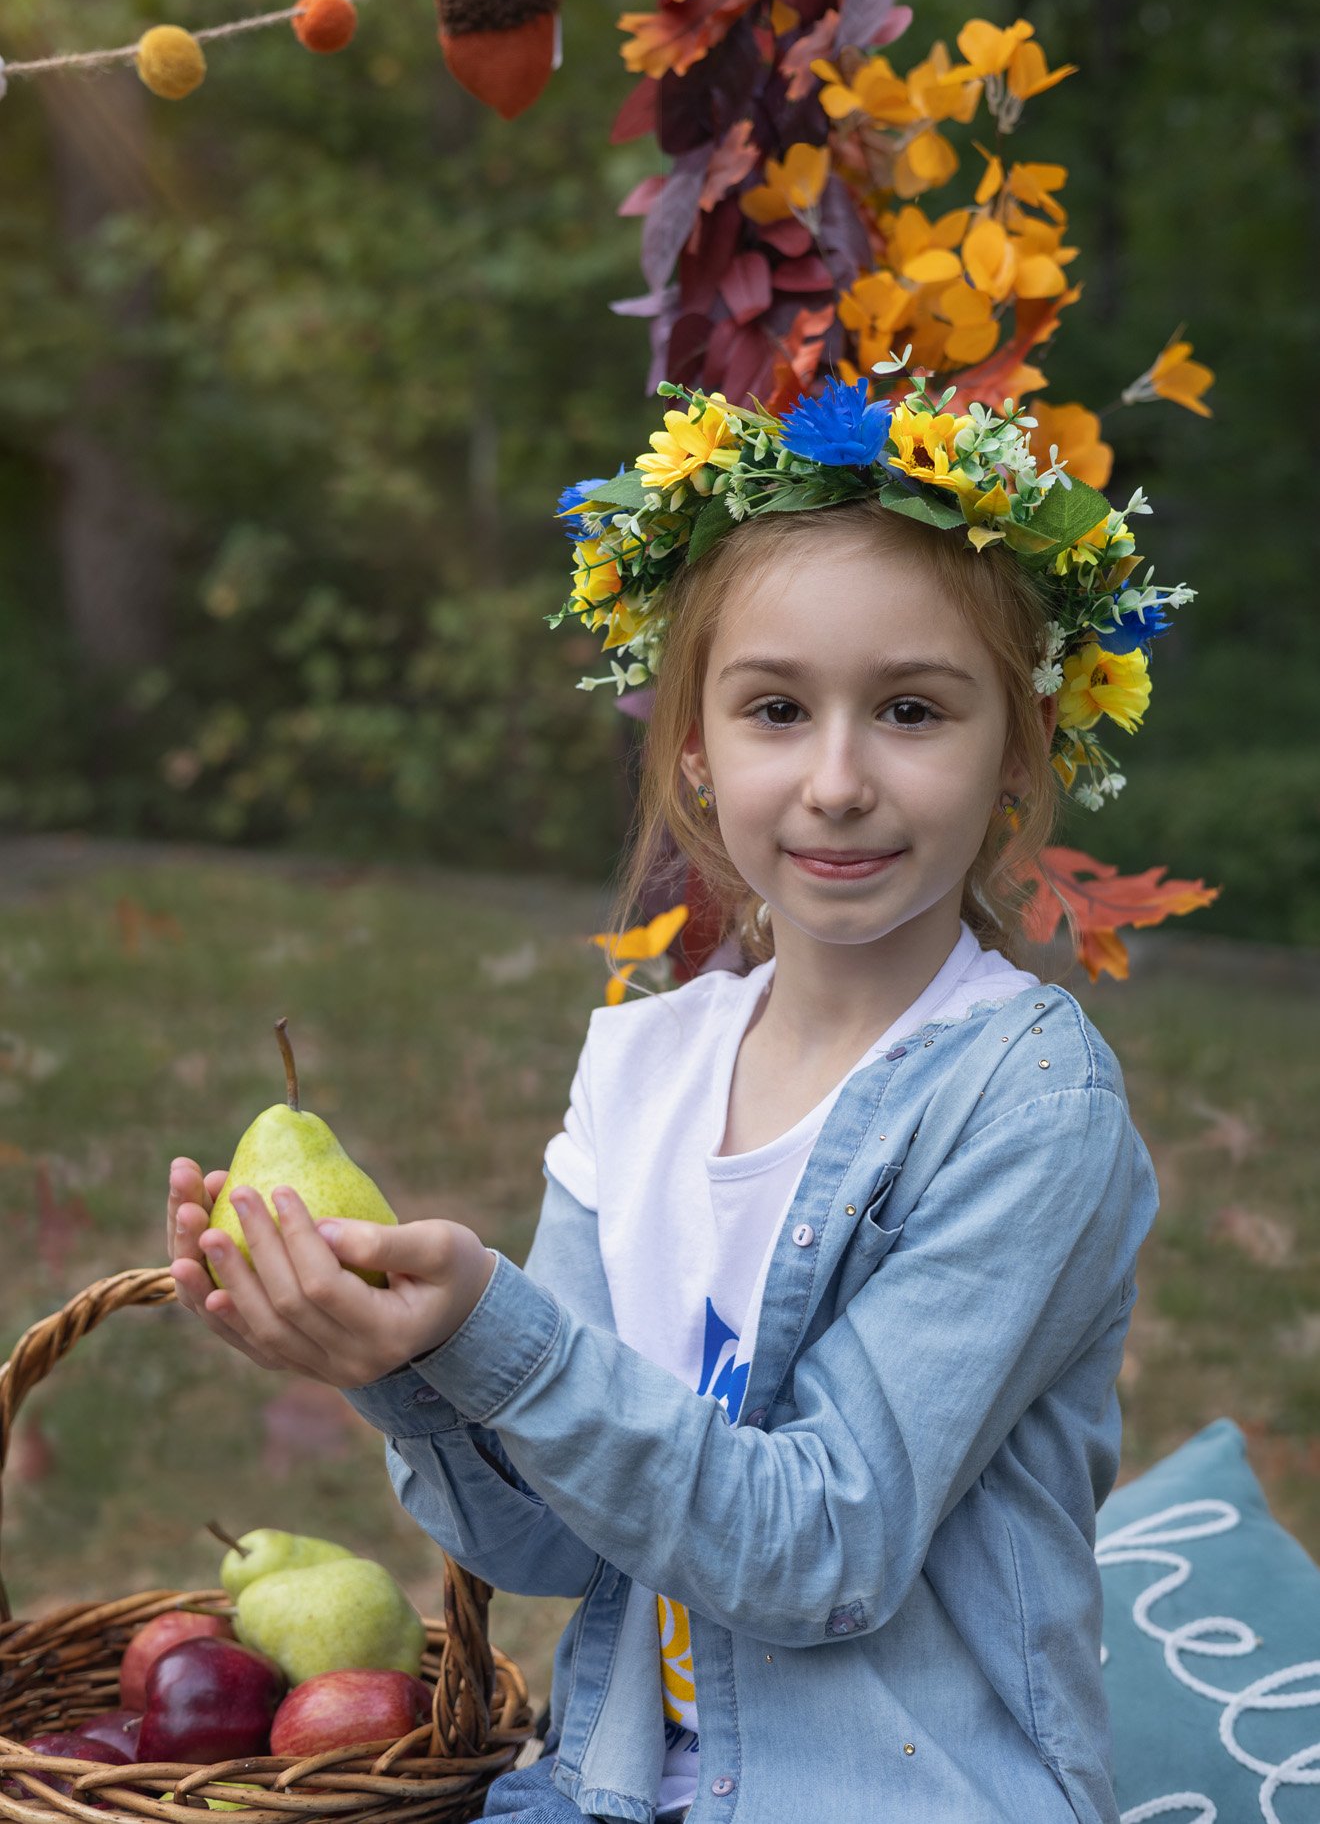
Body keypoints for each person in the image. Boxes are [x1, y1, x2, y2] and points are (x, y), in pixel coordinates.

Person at [167, 375, 1188, 1822]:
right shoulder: (638, 1071)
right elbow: (564, 1543)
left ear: (1017, 753)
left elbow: (822, 1547)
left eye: (909, 710)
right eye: (777, 709)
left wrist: (494, 1333)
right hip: (609, 1789)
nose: (836, 781)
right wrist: (398, 1362)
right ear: (699, 750)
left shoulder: (1027, 1103)